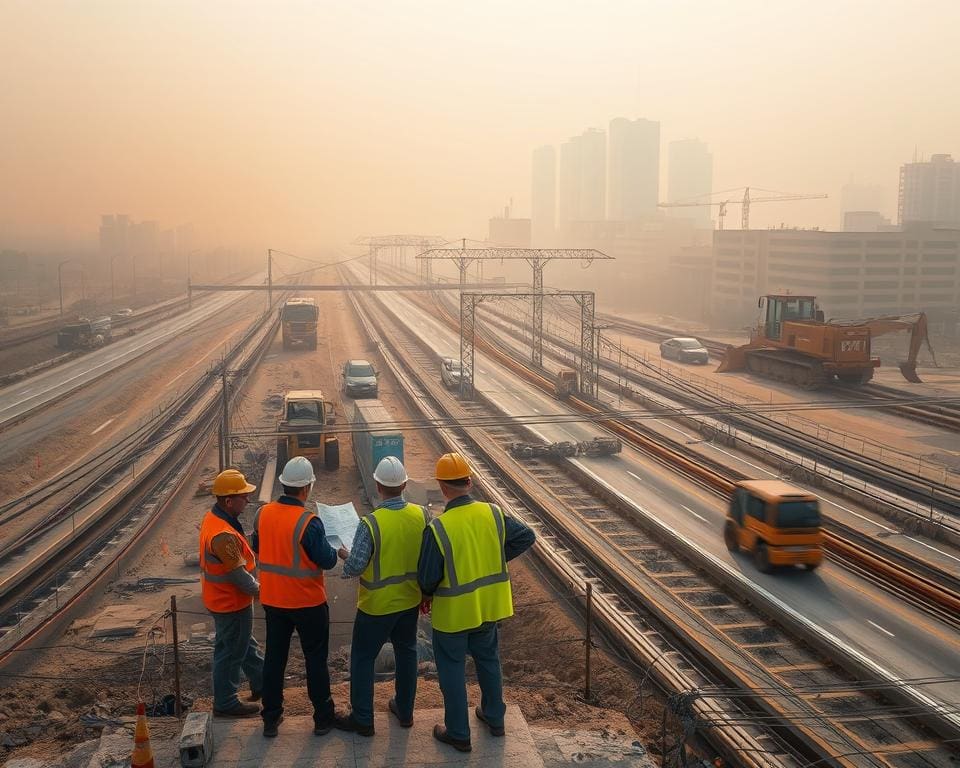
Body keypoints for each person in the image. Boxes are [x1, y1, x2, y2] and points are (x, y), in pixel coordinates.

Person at [417, 452, 536, 753]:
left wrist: (427, 593)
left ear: (443, 488)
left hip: (454, 616)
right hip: (489, 608)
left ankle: (458, 733)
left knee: (453, 671)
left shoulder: (439, 528)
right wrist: (493, 558)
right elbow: (526, 536)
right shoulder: (494, 514)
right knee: (488, 661)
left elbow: (428, 578)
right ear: (470, 481)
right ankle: (495, 719)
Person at [252, 456, 350, 738]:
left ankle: (271, 718)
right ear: (307, 488)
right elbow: (326, 561)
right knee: (315, 660)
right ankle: (322, 718)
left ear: (283, 484)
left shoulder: (263, 515)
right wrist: (336, 551)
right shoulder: (309, 522)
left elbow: (259, 548)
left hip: (273, 601)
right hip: (308, 602)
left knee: (274, 659)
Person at [339, 456, 428, 736]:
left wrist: (344, 555)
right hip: (410, 601)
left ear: (378, 485)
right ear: (404, 484)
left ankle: (363, 719)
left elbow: (355, 566)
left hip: (377, 606)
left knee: (363, 658)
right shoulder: (422, 514)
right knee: (407, 653)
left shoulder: (371, 523)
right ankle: (405, 710)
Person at [199, 469, 265, 718]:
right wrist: (265, 594)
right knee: (230, 652)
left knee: (243, 643)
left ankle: (261, 683)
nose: (248, 500)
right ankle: (226, 702)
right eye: (243, 496)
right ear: (228, 501)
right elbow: (241, 579)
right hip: (231, 602)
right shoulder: (223, 536)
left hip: (220, 598)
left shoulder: (214, 519)